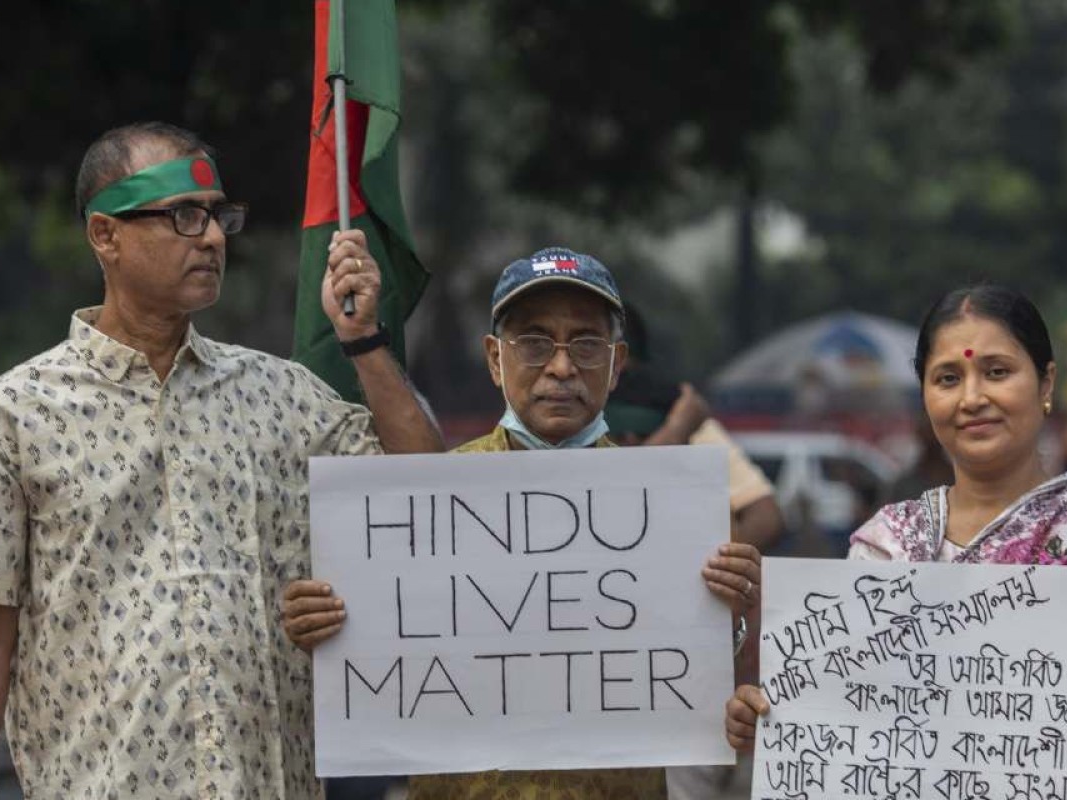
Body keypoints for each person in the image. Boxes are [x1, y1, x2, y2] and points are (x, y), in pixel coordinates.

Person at [0, 122, 445, 800]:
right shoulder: (10, 418)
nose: (210, 237)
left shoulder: (283, 396)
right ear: (105, 235)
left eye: (216, 216)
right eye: (182, 216)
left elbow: (427, 494)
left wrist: (363, 340)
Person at [723, 285, 1067, 798]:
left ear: (1047, 383)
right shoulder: (885, 548)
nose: (972, 398)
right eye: (947, 379)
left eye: (998, 371)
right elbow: (845, 722)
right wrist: (771, 725)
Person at [281, 247, 762, 800]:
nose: (561, 367)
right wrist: (318, 624)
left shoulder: (673, 510)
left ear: (616, 363)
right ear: (494, 359)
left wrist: (729, 619)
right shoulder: (432, 497)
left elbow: (703, 687)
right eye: (534, 343)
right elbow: (372, 654)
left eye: (586, 344)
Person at [606, 303, 786, 551]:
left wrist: (705, 573)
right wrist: (675, 434)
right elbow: (609, 509)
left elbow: (765, 518)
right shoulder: (558, 418)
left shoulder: (680, 410)